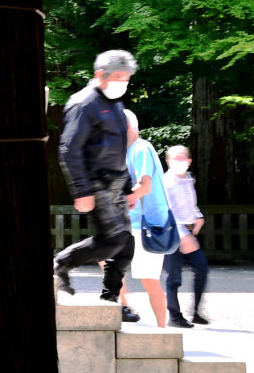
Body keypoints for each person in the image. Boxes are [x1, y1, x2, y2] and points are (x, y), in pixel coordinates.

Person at [53, 50, 138, 307]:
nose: (123, 82)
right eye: (119, 76)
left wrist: (128, 187)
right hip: (95, 182)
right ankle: (60, 263)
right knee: (112, 239)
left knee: (126, 245)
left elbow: (119, 149)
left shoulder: (115, 104)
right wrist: (81, 191)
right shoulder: (83, 103)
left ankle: (110, 301)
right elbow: (69, 149)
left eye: (127, 77)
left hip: (116, 182)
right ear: (100, 74)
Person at [118, 110, 168, 326]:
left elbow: (144, 186)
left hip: (147, 226)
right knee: (105, 256)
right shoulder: (128, 152)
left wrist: (124, 199)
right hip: (135, 224)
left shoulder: (140, 148)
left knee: (150, 281)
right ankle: (123, 306)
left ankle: (162, 330)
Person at [161, 145, 209, 327]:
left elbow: (190, 205)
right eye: (175, 158)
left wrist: (198, 217)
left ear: (189, 161)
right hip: (173, 233)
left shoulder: (189, 179)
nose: (178, 161)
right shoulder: (166, 182)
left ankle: (195, 312)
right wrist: (183, 235)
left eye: (182, 157)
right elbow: (167, 211)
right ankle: (174, 316)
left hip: (188, 231)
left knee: (202, 269)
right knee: (173, 277)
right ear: (168, 161)